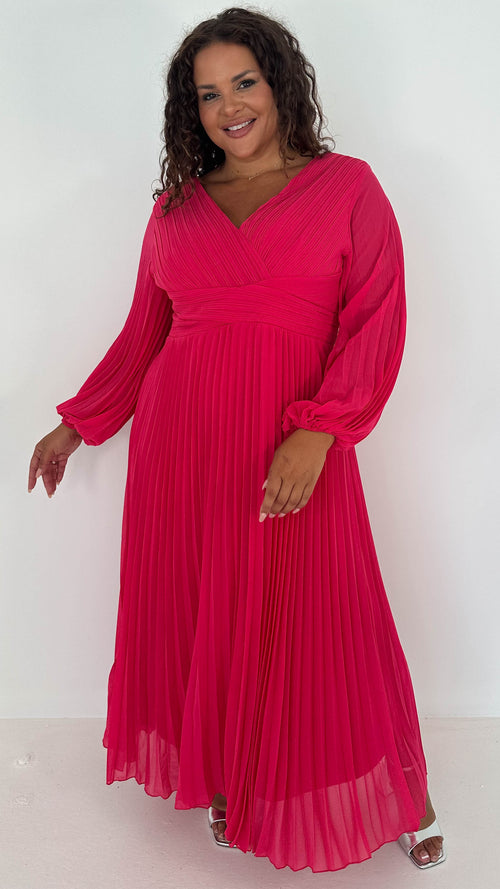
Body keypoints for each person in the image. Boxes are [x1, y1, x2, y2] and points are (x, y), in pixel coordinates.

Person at [28, 6, 447, 874]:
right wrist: (78, 423)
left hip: (289, 442)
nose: (229, 107)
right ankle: (231, 775)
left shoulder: (349, 187)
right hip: (183, 449)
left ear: (280, 82)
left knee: (325, 615)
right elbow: (145, 333)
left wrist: (320, 432)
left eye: (244, 82)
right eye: (208, 94)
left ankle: (402, 796)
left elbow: (376, 320)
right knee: (208, 615)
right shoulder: (176, 207)